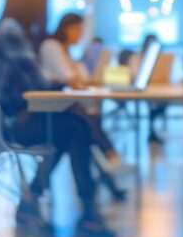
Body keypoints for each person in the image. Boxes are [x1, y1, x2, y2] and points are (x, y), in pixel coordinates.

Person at [0, 0, 115, 237]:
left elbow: (34, 81)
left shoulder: (7, 29)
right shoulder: (11, 33)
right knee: (75, 127)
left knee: (70, 127)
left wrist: (61, 83)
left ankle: (37, 201)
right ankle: (85, 211)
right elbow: (37, 82)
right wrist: (64, 83)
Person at [39, 13, 127, 172]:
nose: (80, 34)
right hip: (50, 109)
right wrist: (80, 76)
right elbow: (69, 78)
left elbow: (82, 77)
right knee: (83, 122)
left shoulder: (66, 50)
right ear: (67, 28)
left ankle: (107, 166)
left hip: (67, 105)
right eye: (78, 29)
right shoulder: (51, 45)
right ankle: (110, 154)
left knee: (82, 127)